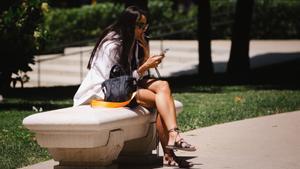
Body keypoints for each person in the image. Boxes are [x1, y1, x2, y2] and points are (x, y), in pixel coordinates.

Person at [73, 6, 196, 168]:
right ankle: (169, 152)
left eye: (145, 26)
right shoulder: (112, 45)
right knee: (160, 102)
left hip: (123, 85)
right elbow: (114, 81)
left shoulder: (132, 41)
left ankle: (174, 135)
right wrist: (145, 66)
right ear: (128, 25)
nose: (143, 30)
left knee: (163, 86)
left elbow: (135, 76)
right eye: (140, 26)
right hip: (103, 91)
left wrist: (145, 52)